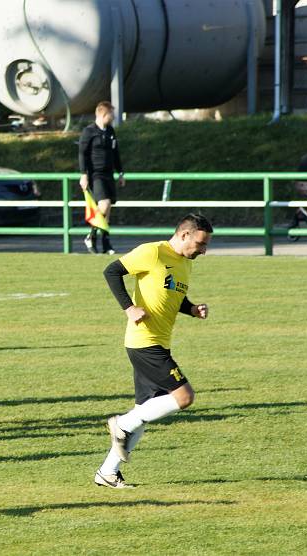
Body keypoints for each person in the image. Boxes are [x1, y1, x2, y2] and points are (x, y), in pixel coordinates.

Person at [96, 213, 212, 488]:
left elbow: (173, 293)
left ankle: (107, 472)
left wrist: (191, 308)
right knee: (184, 398)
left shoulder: (185, 263)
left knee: (145, 412)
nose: (203, 250)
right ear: (184, 234)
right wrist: (129, 308)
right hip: (144, 342)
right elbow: (111, 271)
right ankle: (121, 423)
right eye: (200, 244)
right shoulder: (152, 252)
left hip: (159, 342)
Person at [79, 101, 125, 255]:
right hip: (95, 174)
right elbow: (82, 154)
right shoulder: (89, 131)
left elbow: (116, 152)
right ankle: (90, 237)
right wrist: (83, 174)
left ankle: (106, 243)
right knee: (103, 205)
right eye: (111, 113)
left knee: (108, 209)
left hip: (108, 174)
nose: (113, 116)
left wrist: (120, 172)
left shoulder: (110, 131)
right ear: (103, 114)